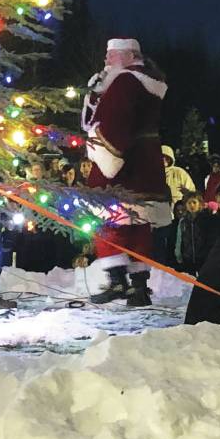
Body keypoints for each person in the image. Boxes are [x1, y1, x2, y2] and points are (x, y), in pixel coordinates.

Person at [82, 37, 171, 306]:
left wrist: (106, 153)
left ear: (129, 56)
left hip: (125, 163)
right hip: (147, 160)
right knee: (140, 225)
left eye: (111, 55)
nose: (106, 60)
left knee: (112, 221)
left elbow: (114, 121)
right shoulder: (148, 82)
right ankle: (139, 288)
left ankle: (118, 281)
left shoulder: (125, 81)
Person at [175, 193, 209, 273]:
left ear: (200, 204)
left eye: (194, 202)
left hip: (203, 258)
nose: (192, 205)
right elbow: (179, 239)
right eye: (189, 203)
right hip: (188, 257)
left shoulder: (206, 219)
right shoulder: (183, 221)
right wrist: (178, 254)